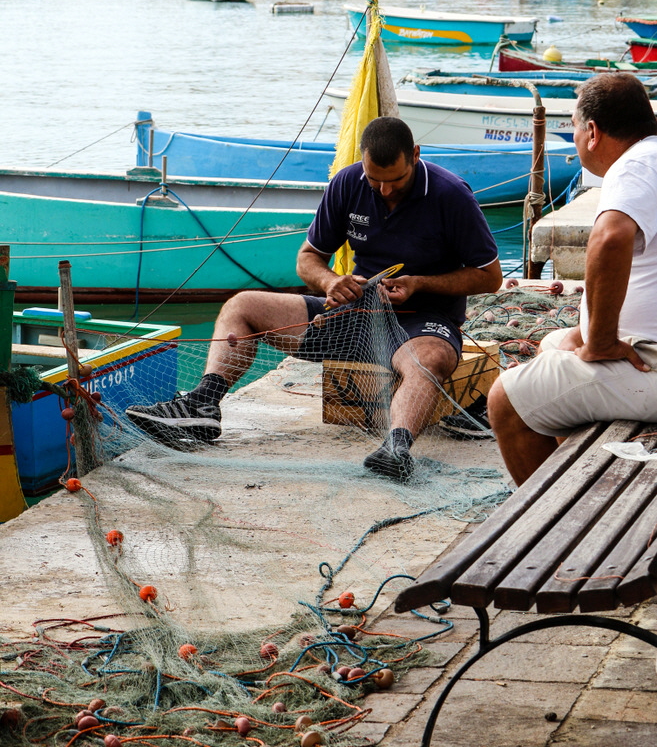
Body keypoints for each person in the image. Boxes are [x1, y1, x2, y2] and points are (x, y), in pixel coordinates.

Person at [127, 117, 502, 482]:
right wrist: (331, 282)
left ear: (416, 155)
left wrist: (418, 283)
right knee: (241, 306)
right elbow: (307, 259)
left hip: (421, 322)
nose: (385, 190)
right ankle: (202, 404)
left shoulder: (451, 195)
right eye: (375, 180)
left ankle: (396, 447)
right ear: (362, 162)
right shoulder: (347, 183)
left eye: (396, 180)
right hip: (353, 315)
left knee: (428, 361)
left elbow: (490, 276)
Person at [488, 72, 657, 486]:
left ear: (593, 132)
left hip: (650, 362)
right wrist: (586, 334)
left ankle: (552, 513)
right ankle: (579, 477)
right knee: (555, 343)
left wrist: (599, 341)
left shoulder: (635, 166)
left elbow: (610, 238)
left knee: (505, 400)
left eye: (575, 128)